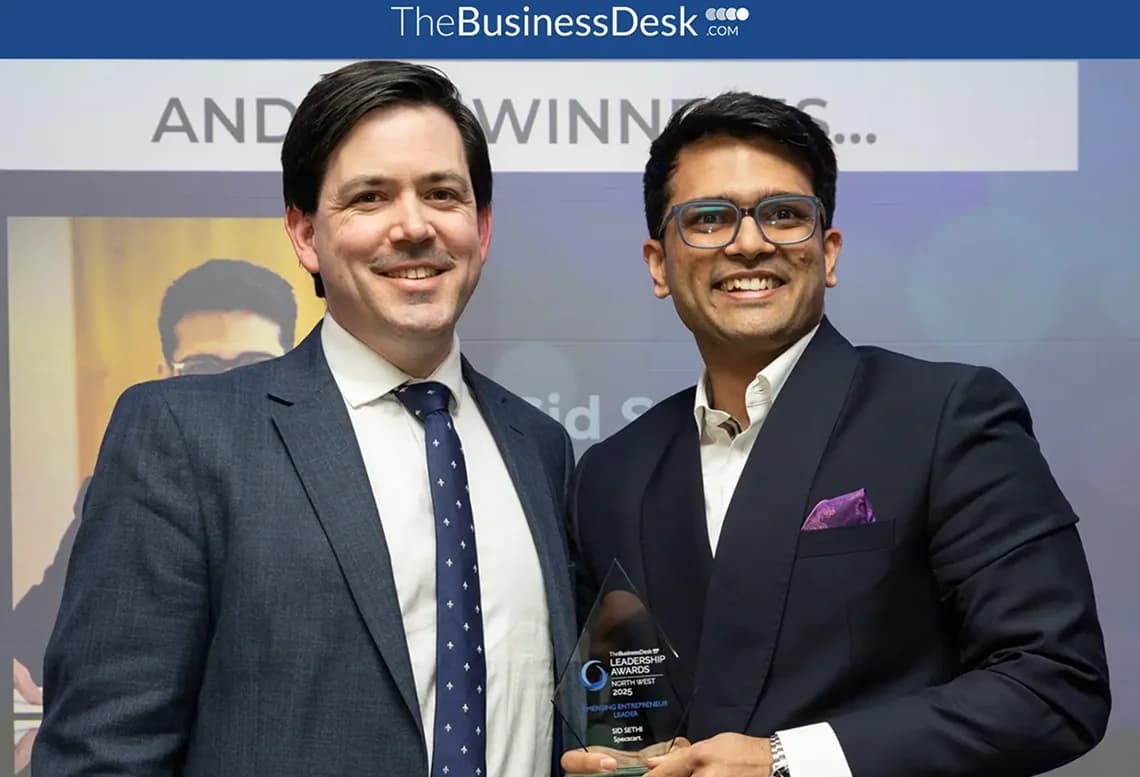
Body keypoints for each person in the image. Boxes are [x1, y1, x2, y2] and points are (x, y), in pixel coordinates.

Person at [32, 60, 576, 777]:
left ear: (481, 226)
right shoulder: (184, 436)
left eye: (442, 194)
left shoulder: (540, 448)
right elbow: (104, 751)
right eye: (369, 197)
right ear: (304, 233)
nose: (414, 226)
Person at [563, 92, 1111, 777]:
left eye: (784, 214)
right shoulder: (612, 474)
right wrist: (626, 759)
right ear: (657, 264)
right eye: (708, 219)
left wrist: (787, 761)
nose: (750, 242)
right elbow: (623, 709)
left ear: (827, 253)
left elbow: (1055, 682)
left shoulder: (945, 416)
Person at [10, 257, 296, 774]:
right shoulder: (137, 487)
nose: (229, 388)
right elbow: (36, 630)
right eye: (203, 368)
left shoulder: (346, 478)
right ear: (165, 374)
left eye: (253, 364)